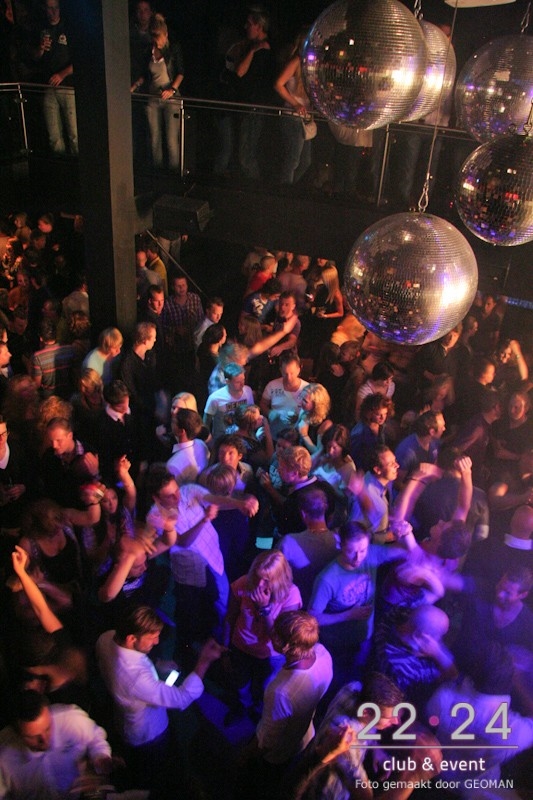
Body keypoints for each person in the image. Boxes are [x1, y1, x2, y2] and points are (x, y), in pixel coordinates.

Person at [96, 605, 224, 791]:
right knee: (156, 773)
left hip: (123, 722)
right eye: (152, 637)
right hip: (149, 735)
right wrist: (204, 660)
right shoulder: (137, 679)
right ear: (131, 638)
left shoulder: (106, 637)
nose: (156, 642)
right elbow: (182, 697)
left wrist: (156, 664)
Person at [222, 550, 302, 725]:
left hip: (270, 655)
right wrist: (225, 647)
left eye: (267, 580)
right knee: (241, 684)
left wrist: (265, 609)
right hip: (241, 646)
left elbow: (279, 637)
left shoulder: (291, 595)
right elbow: (230, 616)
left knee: (264, 689)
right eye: (258, 577)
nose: (259, 584)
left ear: (279, 578)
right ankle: (242, 707)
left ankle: (258, 712)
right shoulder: (243, 583)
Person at [0, 690, 115, 799]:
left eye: (47, 728)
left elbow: (95, 738)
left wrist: (100, 757)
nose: (44, 740)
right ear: (16, 733)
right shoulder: (3, 756)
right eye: (33, 736)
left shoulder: (71, 719)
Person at [135, 12, 184, 172]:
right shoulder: (148, 51)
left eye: (160, 37)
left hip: (171, 98)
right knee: (154, 137)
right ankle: (157, 171)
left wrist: (172, 89)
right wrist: (135, 85)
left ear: (166, 35)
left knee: (171, 139)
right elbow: (145, 74)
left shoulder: (173, 49)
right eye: (155, 37)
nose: (158, 41)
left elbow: (180, 73)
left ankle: (174, 172)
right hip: (153, 97)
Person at [277, 486, 339, 607]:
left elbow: (276, 578)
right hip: (328, 609)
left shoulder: (288, 543)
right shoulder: (338, 541)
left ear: (303, 513)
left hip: (298, 608)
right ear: (325, 508)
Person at [31, 0, 78, 155]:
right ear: (45, 9)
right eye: (49, 8)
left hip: (68, 86)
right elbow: (34, 57)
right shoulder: (41, 28)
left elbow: (81, 60)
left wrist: (62, 74)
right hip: (48, 86)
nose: (53, 11)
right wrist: (40, 49)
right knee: (54, 136)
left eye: (55, 8)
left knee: (74, 134)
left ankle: (77, 163)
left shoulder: (69, 28)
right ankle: (60, 165)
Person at [260, 352, 309, 440]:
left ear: (299, 369)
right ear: (280, 370)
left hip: (297, 434)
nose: (289, 378)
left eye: (292, 373)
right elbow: (263, 404)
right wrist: (270, 413)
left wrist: (301, 417)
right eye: (285, 374)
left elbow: (313, 412)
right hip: (276, 432)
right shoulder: (272, 385)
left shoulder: (307, 388)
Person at [203, 361, 254, 441]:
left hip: (243, 439)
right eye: (237, 382)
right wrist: (208, 441)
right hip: (222, 440)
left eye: (243, 380)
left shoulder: (248, 391)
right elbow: (206, 422)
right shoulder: (215, 398)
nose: (242, 384)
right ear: (227, 381)